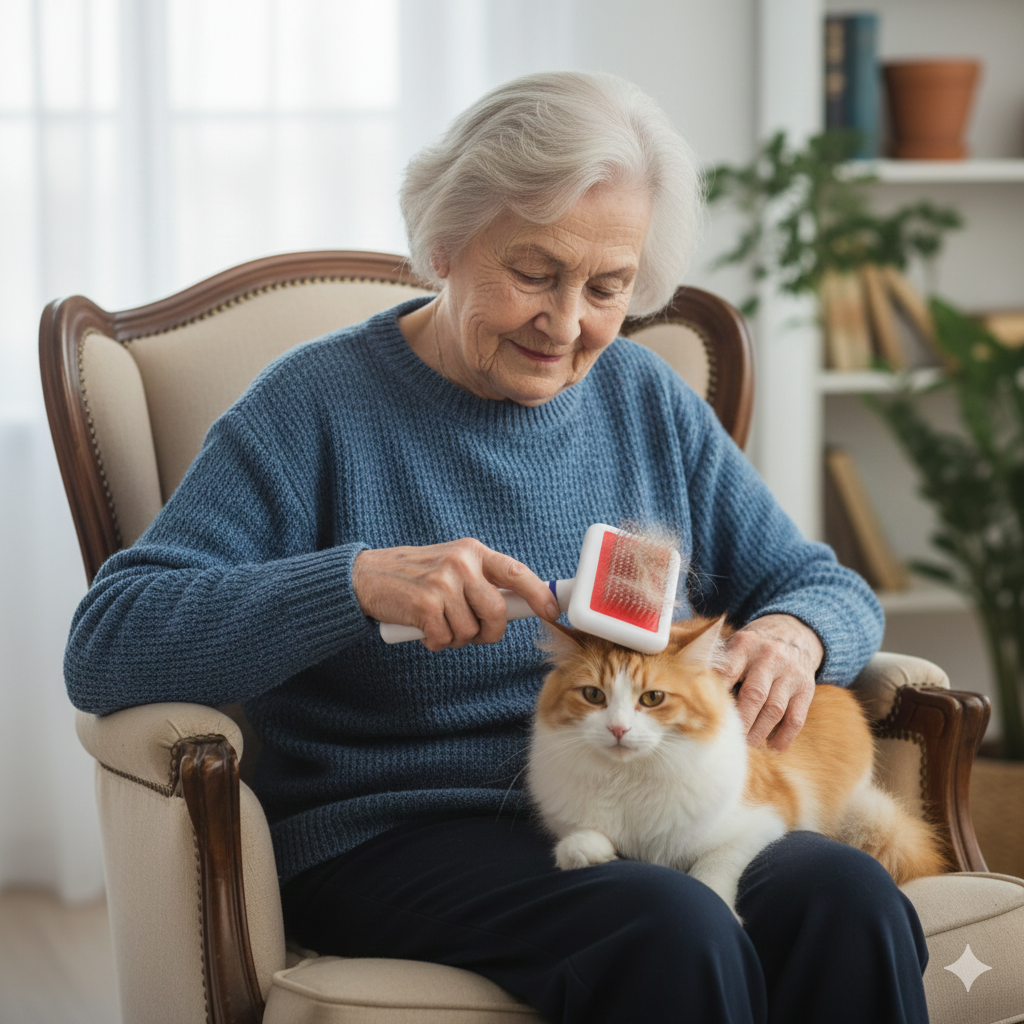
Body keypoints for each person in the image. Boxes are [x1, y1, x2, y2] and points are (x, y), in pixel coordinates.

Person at [64, 71, 928, 1023]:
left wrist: (796, 636)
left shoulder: (645, 398)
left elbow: (818, 581)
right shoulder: (310, 407)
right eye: (534, 274)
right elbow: (109, 641)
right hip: (398, 832)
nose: (566, 325)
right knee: (670, 926)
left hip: (638, 806)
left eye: (607, 288)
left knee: (846, 897)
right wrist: (351, 584)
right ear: (443, 240)